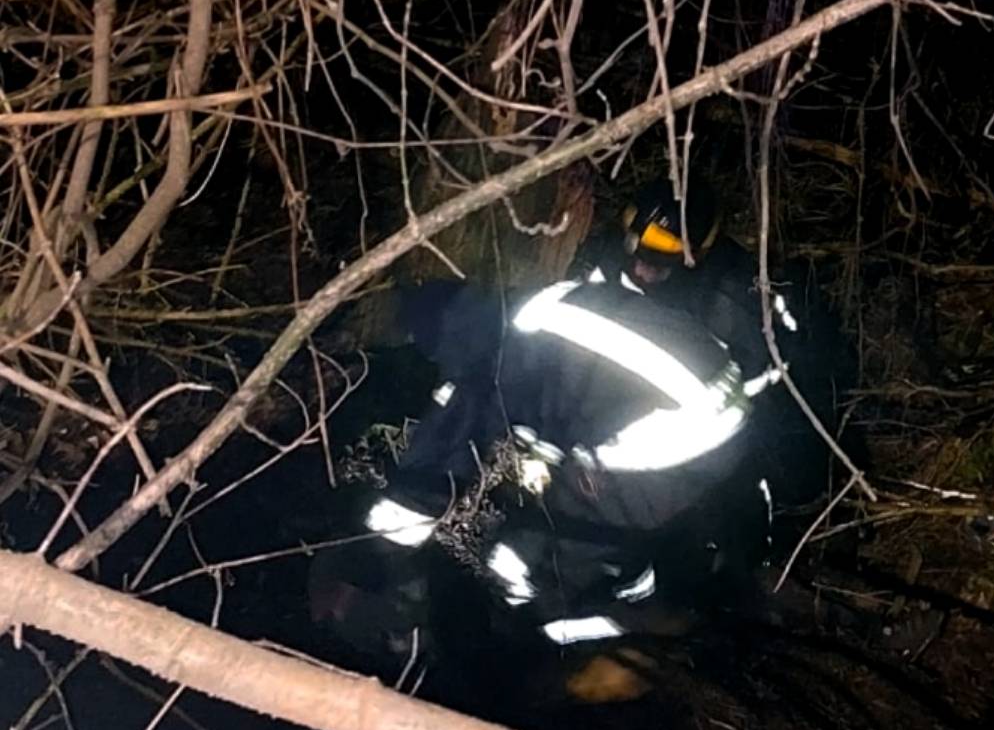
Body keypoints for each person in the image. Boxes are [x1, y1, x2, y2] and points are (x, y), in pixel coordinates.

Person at [308, 271, 775, 687]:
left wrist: (382, 558)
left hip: (676, 428)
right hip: (719, 405)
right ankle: (636, 586)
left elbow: (430, 478)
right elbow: (574, 396)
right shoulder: (538, 308)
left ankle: (560, 657)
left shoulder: (487, 364)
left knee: (518, 566)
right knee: (591, 526)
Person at [579, 176, 853, 534]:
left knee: (735, 491)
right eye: (637, 242)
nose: (641, 268)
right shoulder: (612, 258)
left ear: (696, 253)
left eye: (661, 256)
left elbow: (745, 398)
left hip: (747, 411)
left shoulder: (730, 302)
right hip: (638, 385)